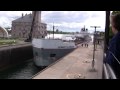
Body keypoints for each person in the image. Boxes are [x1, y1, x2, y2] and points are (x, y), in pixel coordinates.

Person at [105, 13, 120, 78]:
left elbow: (111, 61)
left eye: (111, 24)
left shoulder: (116, 40)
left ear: (114, 26)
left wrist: (105, 58)